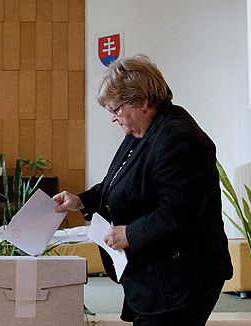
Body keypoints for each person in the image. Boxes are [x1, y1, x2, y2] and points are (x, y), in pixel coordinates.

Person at [53, 54, 233, 325]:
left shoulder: (179, 138)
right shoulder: (140, 132)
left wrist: (129, 234)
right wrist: (81, 201)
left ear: (143, 101)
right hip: (154, 276)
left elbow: (179, 213)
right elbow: (118, 183)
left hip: (181, 280)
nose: (114, 118)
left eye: (116, 110)